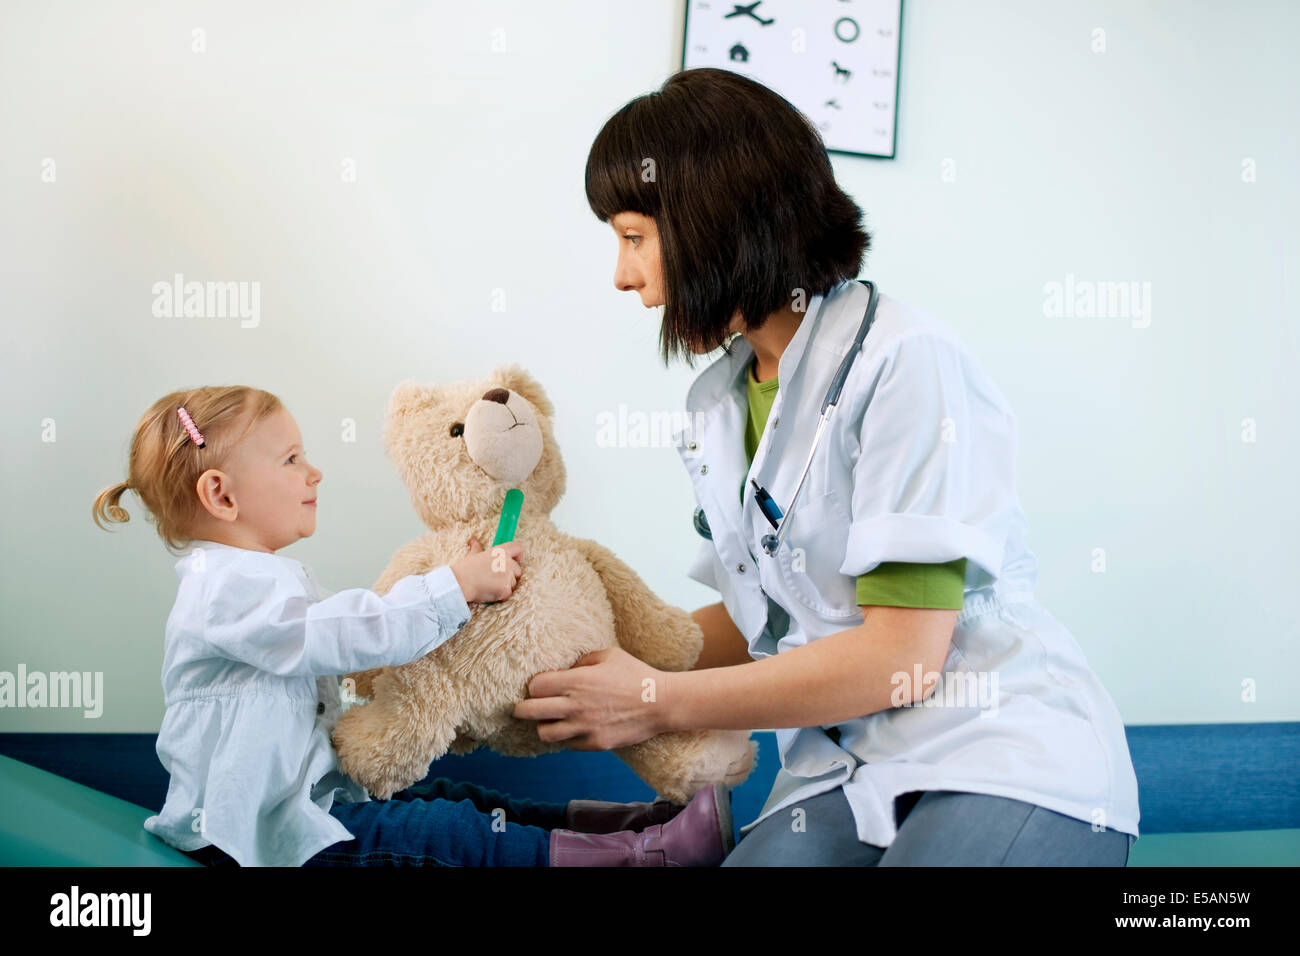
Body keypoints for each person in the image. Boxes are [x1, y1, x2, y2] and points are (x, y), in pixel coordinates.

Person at [512, 68, 1140, 866]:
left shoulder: (906, 362)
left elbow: (901, 660)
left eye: (634, 237)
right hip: (838, 772)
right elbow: (760, 619)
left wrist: (654, 701)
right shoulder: (718, 403)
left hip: (998, 751)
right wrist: (564, 646)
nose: (623, 274)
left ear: (719, 219)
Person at [92, 385, 731, 866]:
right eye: (290, 460)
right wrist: (455, 587)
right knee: (442, 832)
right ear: (222, 496)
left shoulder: (254, 581)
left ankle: (618, 826)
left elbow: (344, 635)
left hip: (307, 807)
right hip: (255, 841)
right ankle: (643, 856)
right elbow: (341, 633)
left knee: (455, 796)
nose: (313, 472)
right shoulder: (223, 592)